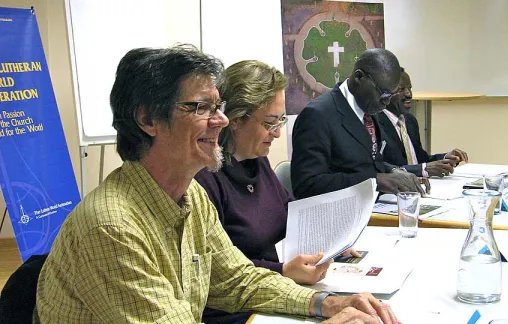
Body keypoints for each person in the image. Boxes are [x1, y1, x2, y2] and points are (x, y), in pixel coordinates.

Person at [35, 45, 399, 324]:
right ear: (147, 119)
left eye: (219, 106)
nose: (222, 120)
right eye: (201, 108)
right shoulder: (111, 227)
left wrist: (326, 303)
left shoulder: (189, 194)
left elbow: (237, 281)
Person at [195, 60, 360, 323]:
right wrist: (282, 270)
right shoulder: (204, 179)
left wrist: (332, 240)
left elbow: (290, 212)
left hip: (277, 293)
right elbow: (222, 273)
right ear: (235, 120)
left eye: (281, 120)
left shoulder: (256, 160)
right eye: (270, 122)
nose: (278, 133)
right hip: (240, 309)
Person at [291, 48, 427, 199]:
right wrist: (376, 181)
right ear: (359, 77)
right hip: (336, 214)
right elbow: (306, 185)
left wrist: (396, 172)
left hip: (371, 206)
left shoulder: (369, 109)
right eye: (383, 94)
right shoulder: (317, 115)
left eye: (391, 95)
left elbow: (370, 163)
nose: (387, 102)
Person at [378, 68, 468, 177]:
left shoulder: (409, 121)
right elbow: (380, 168)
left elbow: (421, 160)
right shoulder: (374, 124)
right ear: (385, 92)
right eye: (401, 89)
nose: (409, 94)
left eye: (410, 88)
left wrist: (446, 158)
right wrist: (422, 170)